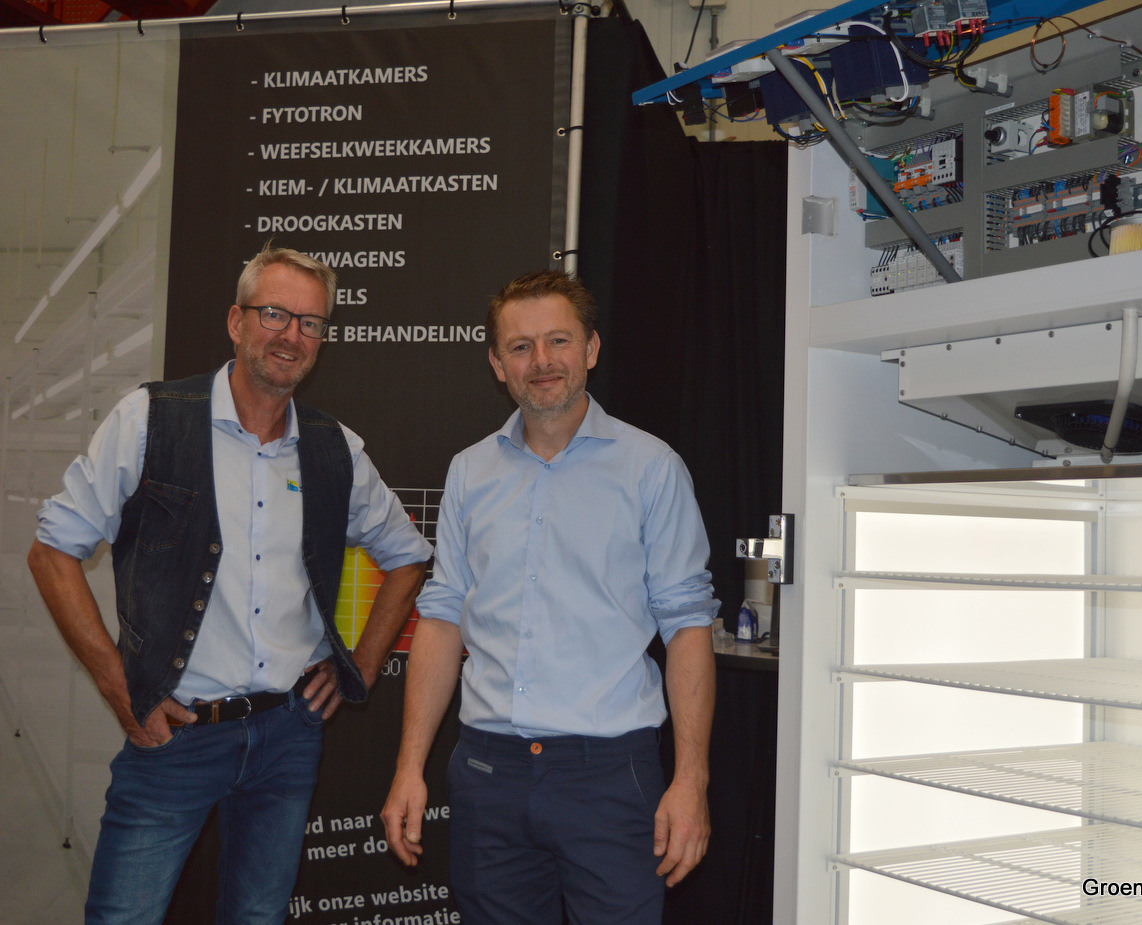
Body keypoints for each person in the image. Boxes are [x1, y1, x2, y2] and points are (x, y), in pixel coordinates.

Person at [27, 245, 432, 925]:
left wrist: (358, 666)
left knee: (258, 917)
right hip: (174, 738)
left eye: (310, 322)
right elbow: (51, 553)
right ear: (236, 322)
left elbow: (408, 557)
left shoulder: (335, 449)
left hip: (288, 736)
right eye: (274, 313)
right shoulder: (149, 419)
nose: (291, 335)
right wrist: (119, 688)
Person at [381, 270, 719, 924]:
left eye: (558, 340)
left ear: (590, 348)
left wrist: (691, 778)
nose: (541, 360)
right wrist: (409, 767)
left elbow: (687, 625)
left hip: (611, 777)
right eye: (520, 346)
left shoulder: (652, 469)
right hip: (487, 774)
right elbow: (442, 620)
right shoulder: (470, 472)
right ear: (496, 364)